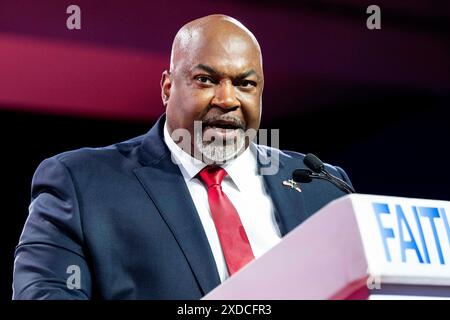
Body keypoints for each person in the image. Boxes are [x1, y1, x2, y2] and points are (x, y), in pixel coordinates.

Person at [13, 14, 352, 299]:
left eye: (245, 84)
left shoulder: (323, 187)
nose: (228, 99)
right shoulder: (83, 184)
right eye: (205, 80)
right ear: (167, 87)